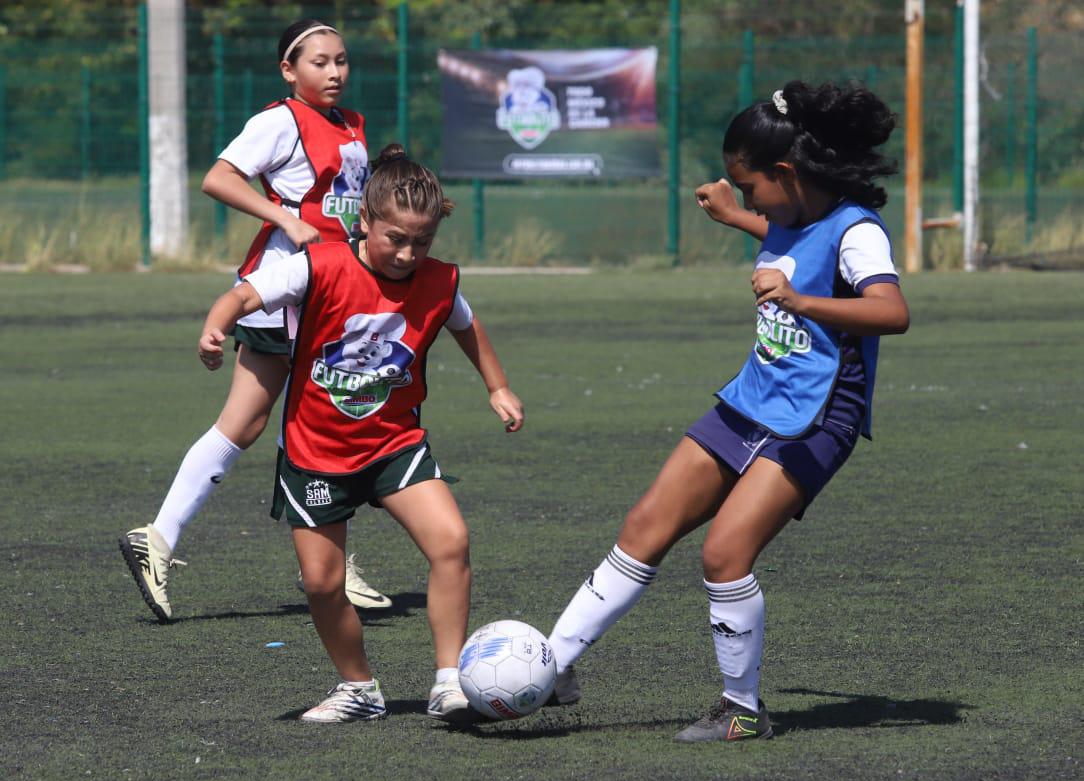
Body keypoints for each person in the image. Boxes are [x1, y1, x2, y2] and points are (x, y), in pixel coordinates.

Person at [545, 81, 910, 743]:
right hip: (751, 398)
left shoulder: (857, 231)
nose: (746, 199)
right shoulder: (797, 214)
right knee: (645, 523)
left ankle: (741, 708)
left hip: (817, 417)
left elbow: (893, 311)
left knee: (725, 552)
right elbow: (789, 231)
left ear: (787, 174)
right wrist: (737, 219)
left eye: (750, 188)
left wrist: (801, 301)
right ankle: (550, 668)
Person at [197, 144, 524, 724]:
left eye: (421, 242)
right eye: (395, 238)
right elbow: (245, 294)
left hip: (394, 443)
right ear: (364, 221)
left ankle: (448, 681)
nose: (407, 253)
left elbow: (467, 326)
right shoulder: (317, 265)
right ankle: (358, 689)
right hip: (315, 452)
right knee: (322, 584)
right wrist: (216, 327)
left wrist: (497, 388)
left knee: (451, 543)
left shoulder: (439, 281)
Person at [119, 19, 390, 622]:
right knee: (258, 423)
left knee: (312, 421)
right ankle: (160, 539)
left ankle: (326, 563)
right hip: (286, 286)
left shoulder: (351, 126)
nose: (335, 72)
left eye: (341, 60)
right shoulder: (280, 120)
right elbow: (218, 177)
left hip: (332, 288)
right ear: (289, 70)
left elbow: (346, 205)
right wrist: (283, 217)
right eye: (319, 62)